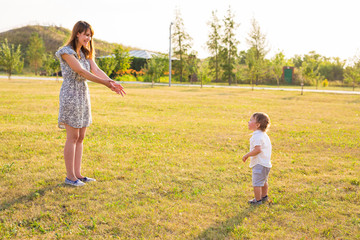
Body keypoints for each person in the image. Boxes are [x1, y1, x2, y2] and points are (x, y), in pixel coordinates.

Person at [55, 21, 126, 187]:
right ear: (77, 34)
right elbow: (81, 71)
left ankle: (78, 174)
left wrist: (111, 82)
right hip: (70, 95)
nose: (88, 38)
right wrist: (105, 84)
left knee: (80, 137)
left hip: (83, 96)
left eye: (90, 35)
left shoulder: (86, 53)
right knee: (72, 137)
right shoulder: (66, 52)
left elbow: (96, 70)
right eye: (86, 34)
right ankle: (70, 177)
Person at [242, 112, 272, 205]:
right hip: (266, 163)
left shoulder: (257, 136)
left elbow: (257, 149)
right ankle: (264, 196)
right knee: (263, 181)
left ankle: (257, 200)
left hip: (259, 163)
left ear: (257, 125)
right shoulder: (263, 135)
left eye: (251, 120)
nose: (248, 122)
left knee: (257, 183)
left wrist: (247, 155)